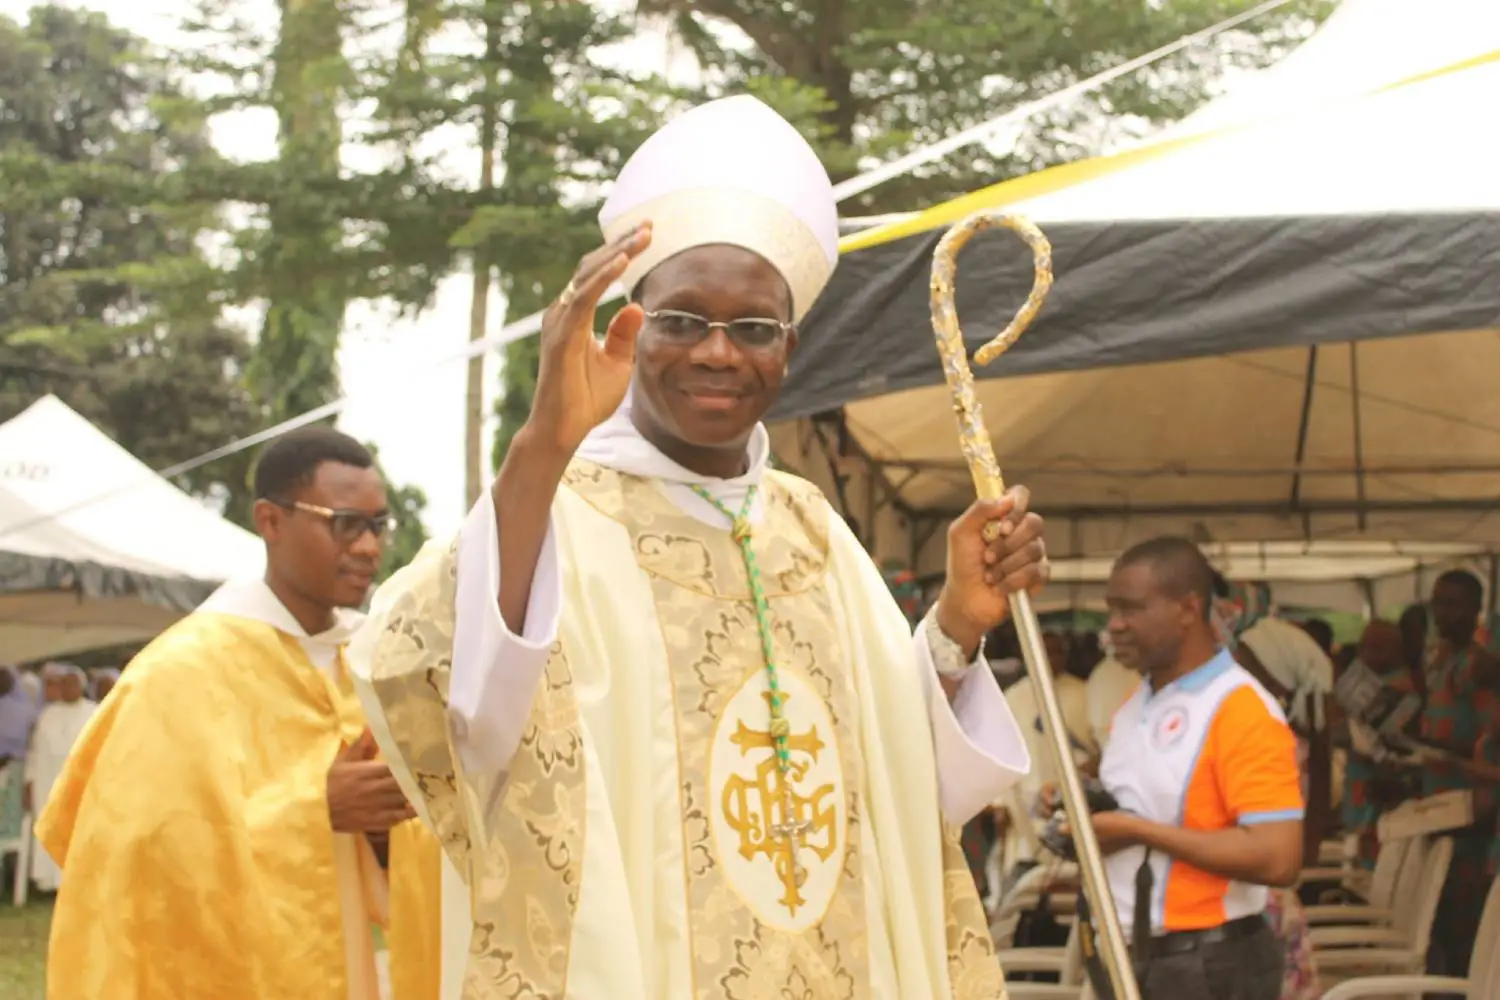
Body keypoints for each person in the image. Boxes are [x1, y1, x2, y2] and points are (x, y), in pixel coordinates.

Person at [350, 94, 1049, 1000]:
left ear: (788, 346)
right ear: (630, 329)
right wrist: (540, 447)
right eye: (682, 319)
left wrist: (957, 624)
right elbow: (449, 702)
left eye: (753, 327)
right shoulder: (556, 512)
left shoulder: (815, 533)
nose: (718, 353)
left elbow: (901, 787)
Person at [36, 427, 440, 1000]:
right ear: (270, 521)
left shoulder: (378, 664)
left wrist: (382, 834)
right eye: (346, 523)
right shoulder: (179, 673)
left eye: (377, 525)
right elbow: (132, 856)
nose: (370, 547)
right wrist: (313, 808)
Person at [1076, 537, 1302, 1000]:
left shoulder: (1240, 708)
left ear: (1187, 608)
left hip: (1206, 963)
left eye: (1131, 609)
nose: (1114, 626)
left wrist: (1140, 831)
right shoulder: (1138, 703)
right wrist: (1078, 804)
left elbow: (1279, 857)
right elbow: (1136, 808)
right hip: (1134, 956)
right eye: (1111, 610)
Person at [1413, 569, 1500, 982]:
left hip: (1471, 814)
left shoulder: (1481, 665)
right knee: (1440, 925)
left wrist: (1443, 753)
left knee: (1464, 930)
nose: (1441, 612)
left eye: (1452, 603)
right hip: (1441, 805)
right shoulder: (1444, 660)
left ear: (1475, 610)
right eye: (1438, 602)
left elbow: (1487, 740)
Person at [23, 664, 97, 892]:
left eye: (72, 683)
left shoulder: (94, 711)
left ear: (81, 687)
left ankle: (76, 883)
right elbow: (34, 753)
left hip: (81, 785)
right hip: (47, 783)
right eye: (63, 684)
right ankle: (48, 882)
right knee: (50, 827)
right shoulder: (47, 715)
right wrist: (29, 783)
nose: (67, 688)